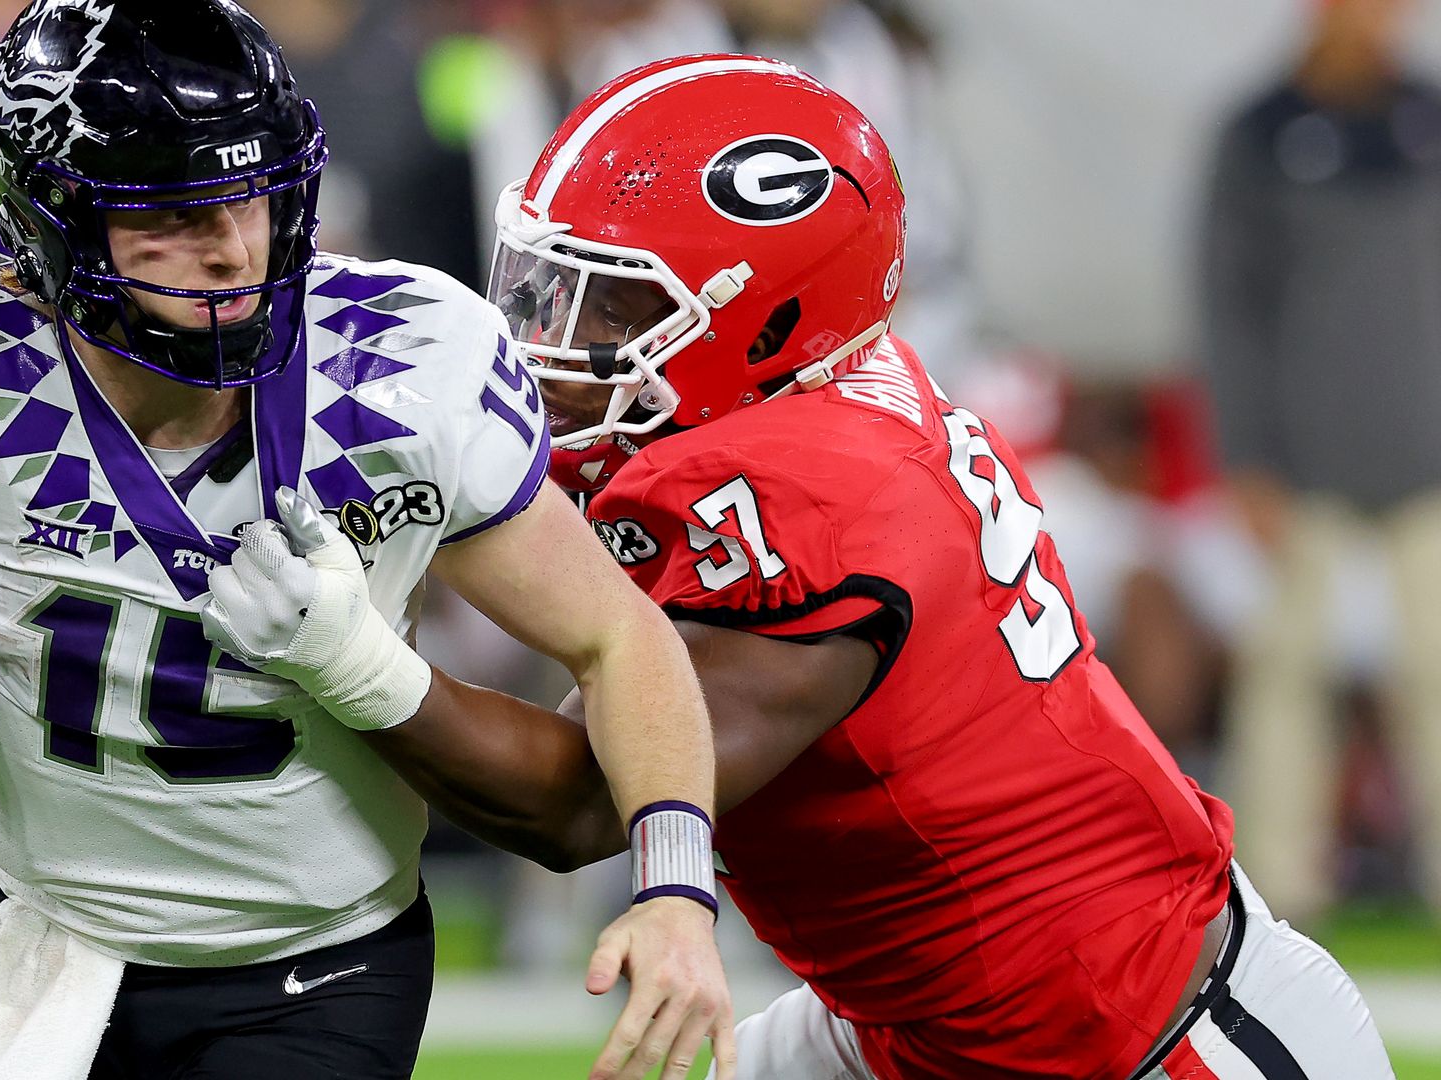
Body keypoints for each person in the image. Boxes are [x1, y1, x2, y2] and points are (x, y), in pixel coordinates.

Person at [205, 56, 1394, 1079]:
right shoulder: (804, 403)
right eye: (545, 285)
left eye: (610, 308)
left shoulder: (813, 499)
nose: (555, 342)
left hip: (1136, 1037)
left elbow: (583, 796)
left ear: (766, 320)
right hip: (931, 1017)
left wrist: (349, 656)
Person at [0, 3, 732, 1079]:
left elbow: (621, 639)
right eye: (171, 210)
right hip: (45, 938)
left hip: (318, 962)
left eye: (252, 196)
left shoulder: (409, 371)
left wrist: (677, 896)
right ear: (50, 216)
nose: (230, 249)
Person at [1200, 0, 1441, 920]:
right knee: (1287, 676)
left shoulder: (1426, 116)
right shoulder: (1263, 131)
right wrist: (1249, 453)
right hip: (1304, 454)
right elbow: (1228, 302)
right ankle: (1280, 890)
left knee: (1435, 671)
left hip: (1425, 446)